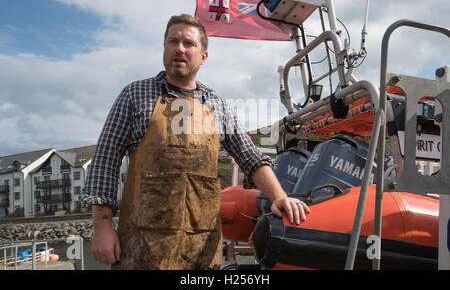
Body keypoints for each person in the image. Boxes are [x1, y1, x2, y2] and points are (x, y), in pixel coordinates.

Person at [79, 13, 310, 270]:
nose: (179, 48)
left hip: (201, 250)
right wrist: (102, 227)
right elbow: (105, 160)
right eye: (172, 41)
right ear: (164, 48)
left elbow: (251, 158)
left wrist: (279, 197)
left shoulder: (218, 105)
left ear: (203, 56)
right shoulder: (134, 95)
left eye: (188, 43)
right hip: (141, 248)